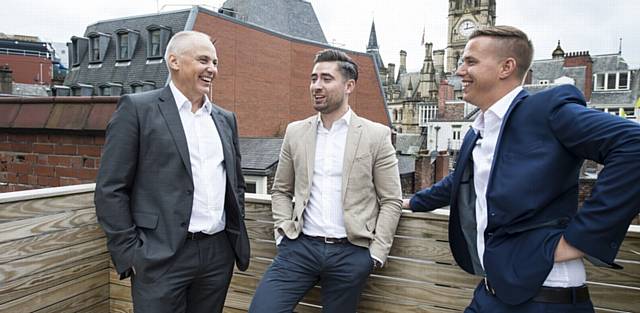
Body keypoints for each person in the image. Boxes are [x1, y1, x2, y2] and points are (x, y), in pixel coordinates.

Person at [404, 25, 640, 312]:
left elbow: (633, 145)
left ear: (506, 67)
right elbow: (461, 180)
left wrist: (584, 238)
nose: (459, 71)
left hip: (546, 296)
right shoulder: (478, 131)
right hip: (492, 291)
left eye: (470, 61)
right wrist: (411, 202)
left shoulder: (546, 111)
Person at [94, 30, 249, 313]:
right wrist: (131, 253)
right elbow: (110, 189)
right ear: (174, 61)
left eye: (215, 62)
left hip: (217, 254)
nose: (212, 69)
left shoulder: (225, 119)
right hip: (159, 255)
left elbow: (236, 183)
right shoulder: (138, 109)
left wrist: (230, 241)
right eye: (204, 60)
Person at [248, 49, 403, 312]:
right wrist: (283, 233)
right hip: (300, 248)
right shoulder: (296, 132)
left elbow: (391, 199)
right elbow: (281, 190)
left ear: (349, 85)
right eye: (313, 78)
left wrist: (375, 255)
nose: (316, 86)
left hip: (351, 253)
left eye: (327, 79)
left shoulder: (376, 135)